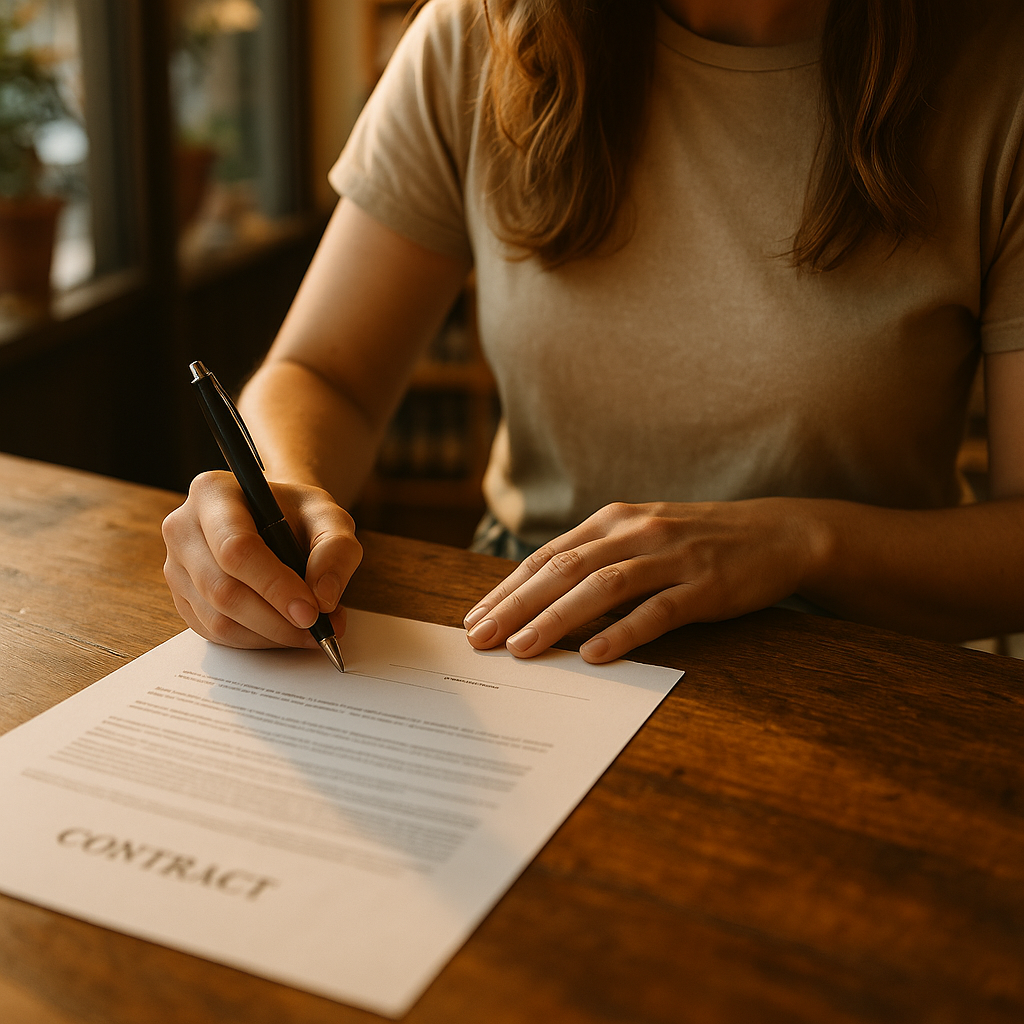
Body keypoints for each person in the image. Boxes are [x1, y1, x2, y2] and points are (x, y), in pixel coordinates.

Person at [162, 0, 1024, 666]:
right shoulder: (483, 34)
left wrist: (801, 544)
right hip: (528, 633)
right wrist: (285, 494)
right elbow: (324, 372)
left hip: (864, 658)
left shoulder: (999, 71)